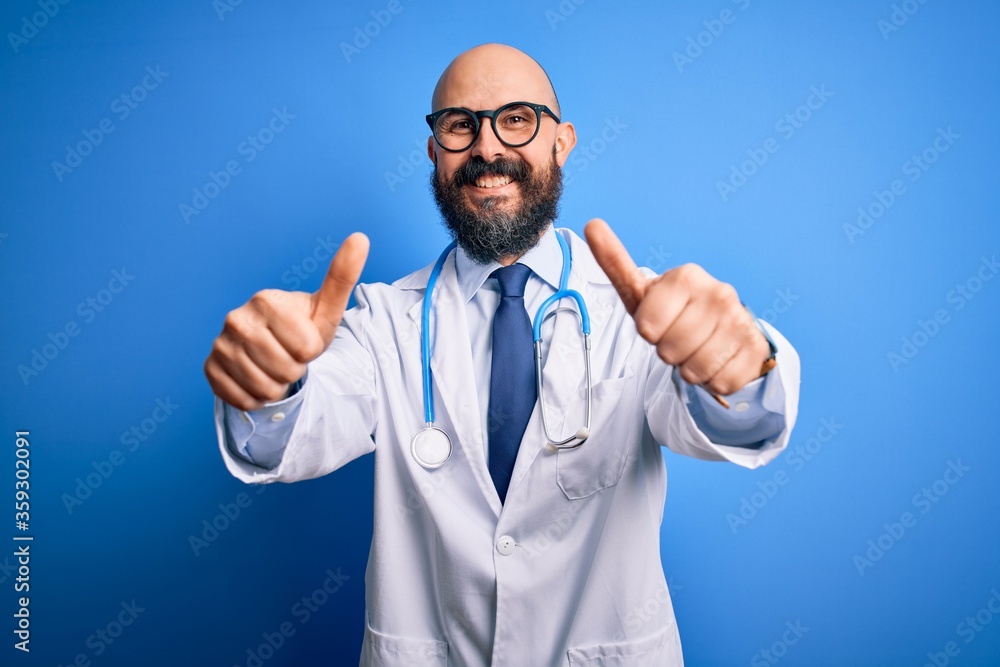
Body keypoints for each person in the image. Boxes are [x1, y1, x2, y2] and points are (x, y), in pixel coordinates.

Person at [204, 43, 800, 667]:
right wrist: (270, 385)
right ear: (435, 152)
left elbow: (734, 423)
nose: (488, 148)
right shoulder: (383, 321)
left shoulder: (641, 315)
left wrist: (740, 370)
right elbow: (293, 435)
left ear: (561, 141)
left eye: (516, 119)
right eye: (461, 125)